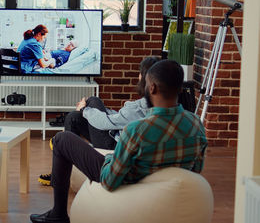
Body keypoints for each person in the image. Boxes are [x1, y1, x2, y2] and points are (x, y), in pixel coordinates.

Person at [29, 60, 208, 223]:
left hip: (125, 178)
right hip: (164, 186)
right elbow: (196, 169)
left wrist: (107, 158)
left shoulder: (137, 129)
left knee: (62, 140)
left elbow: (110, 179)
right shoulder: (196, 124)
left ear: (152, 88)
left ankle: (58, 215)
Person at [38, 56, 160, 186]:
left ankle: (62, 148)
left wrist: (85, 109)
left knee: (93, 101)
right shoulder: (156, 106)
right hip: (117, 138)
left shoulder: (138, 108)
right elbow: (118, 118)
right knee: (74, 117)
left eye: (140, 73)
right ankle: (59, 172)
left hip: (112, 147)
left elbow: (105, 123)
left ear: (144, 78)